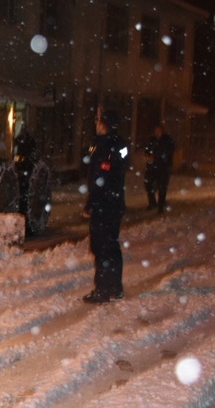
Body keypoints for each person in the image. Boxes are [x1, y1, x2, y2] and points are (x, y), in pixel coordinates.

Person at [82, 109, 129, 304]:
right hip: (114, 203)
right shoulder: (118, 144)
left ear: (104, 124)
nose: (96, 124)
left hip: (105, 204)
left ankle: (102, 289)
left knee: (102, 247)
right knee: (111, 246)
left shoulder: (106, 146)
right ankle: (115, 287)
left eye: (99, 121)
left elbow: (100, 178)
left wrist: (91, 204)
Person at [143, 123, 175, 213]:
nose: (156, 132)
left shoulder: (167, 140)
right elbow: (147, 149)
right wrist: (147, 155)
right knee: (148, 183)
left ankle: (161, 206)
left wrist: (157, 157)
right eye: (155, 130)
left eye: (158, 130)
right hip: (152, 166)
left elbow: (167, 152)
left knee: (162, 186)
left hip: (163, 167)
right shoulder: (152, 140)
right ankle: (152, 203)